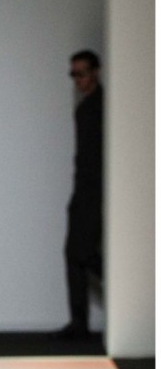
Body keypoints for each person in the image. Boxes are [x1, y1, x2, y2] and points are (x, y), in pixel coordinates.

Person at [53, 50, 104, 340]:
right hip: (84, 191)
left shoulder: (102, 107)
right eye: (74, 74)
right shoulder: (86, 107)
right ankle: (79, 323)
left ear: (95, 72)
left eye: (82, 73)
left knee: (82, 254)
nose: (77, 80)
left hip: (96, 192)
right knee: (76, 255)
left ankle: (80, 323)